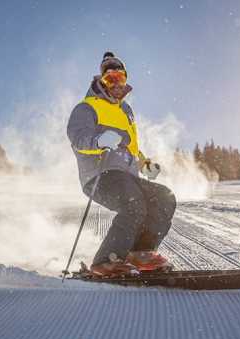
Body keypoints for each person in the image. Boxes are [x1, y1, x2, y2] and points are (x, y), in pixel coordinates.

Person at [67, 52, 177, 277]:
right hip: (100, 174)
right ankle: (106, 261)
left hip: (127, 176)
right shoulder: (87, 107)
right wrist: (98, 141)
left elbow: (131, 147)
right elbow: (77, 138)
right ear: (101, 81)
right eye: (110, 79)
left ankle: (140, 252)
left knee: (164, 197)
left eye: (120, 78)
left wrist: (144, 164)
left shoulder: (126, 112)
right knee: (133, 202)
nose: (116, 84)